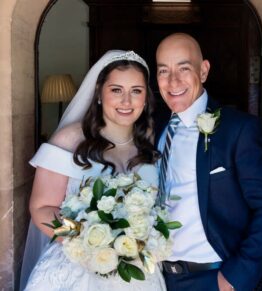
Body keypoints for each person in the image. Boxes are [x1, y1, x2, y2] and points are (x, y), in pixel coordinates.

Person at [23, 50, 166, 291]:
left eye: (136, 91)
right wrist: (87, 239)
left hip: (139, 272)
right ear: (99, 93)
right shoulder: (69, 139)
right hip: (76, 268)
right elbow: (40, 209)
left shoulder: (152, 140)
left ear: (146, 98)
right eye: (116, 90)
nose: (126, 101)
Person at [156, 33, 262, 291]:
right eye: (164, 71)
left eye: (184, 68)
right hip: (161, 280)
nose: (173, 81)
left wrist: (235, 278)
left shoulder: (239, 129)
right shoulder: (152, 130)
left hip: (218, 278)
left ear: (203, 71)